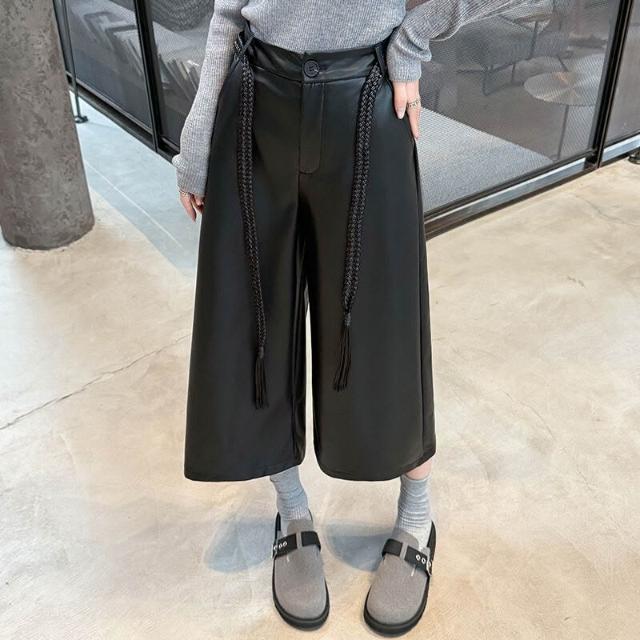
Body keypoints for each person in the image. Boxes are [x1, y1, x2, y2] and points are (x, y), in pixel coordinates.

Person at [173, 0, 532, 634]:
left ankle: (416, 517)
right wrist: (199, 134)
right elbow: (229, 12)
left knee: (384, 326)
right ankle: (292, 511)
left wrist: (413, 40)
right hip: (254, 103)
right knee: (256, 320)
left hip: (366, 102)